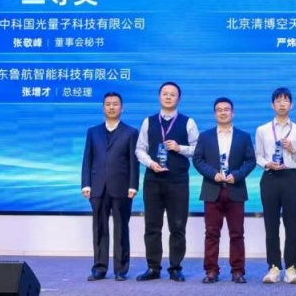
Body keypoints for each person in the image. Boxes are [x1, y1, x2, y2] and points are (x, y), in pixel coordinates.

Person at [134, 81, 199, 282]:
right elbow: (140, 149)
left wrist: (180, 148)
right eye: (165, 93)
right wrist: (150, 163)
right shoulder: (148, 122)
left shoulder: (188, 122)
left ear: (179, 98)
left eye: (172, 94)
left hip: (177, 181)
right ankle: (153, 268)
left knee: (177, 226)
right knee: (152, 226)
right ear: (159, 97)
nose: (168, 97)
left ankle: (175, 268)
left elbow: (198, 149)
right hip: (153, 180)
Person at [192, 97, 256, 284]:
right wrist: (213, 174)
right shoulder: (205, 136)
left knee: (237, 233)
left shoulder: (243, 136)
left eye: (226, 109)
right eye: (219, 110)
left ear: (232, 113)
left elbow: (251, 161)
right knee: (211, 233)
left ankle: (238, 271)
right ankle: (211, 270)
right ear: (214, 114)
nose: (223, 112)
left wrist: (237, 175)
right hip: (212, 189)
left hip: (235, 189)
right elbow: (197, 160)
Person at [80, 91, 139, 282]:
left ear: (122, 108)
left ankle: (121, 270)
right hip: (97, 187)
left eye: (115, 104)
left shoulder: (131, 132)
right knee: (99, 228)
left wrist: (133, 185)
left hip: (122, 187)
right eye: (108, 104)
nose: (111, 107)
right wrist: (85, 183)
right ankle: (99, 268)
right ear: (103, 107)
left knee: (121, 228)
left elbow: (134, 162)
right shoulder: (93, 132)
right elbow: (87, 159)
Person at [254, 87, 296, 284]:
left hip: (292, 178)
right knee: (271, 224)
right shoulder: (262, 130)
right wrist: (267, 164)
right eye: (278, 100)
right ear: (272, 105)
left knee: (292, 224)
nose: (282, 104)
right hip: (270, 177)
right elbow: (258, 155)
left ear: (291, 105)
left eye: (286, 100)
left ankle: (292, 268)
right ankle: (274, 267)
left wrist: (292, 150)